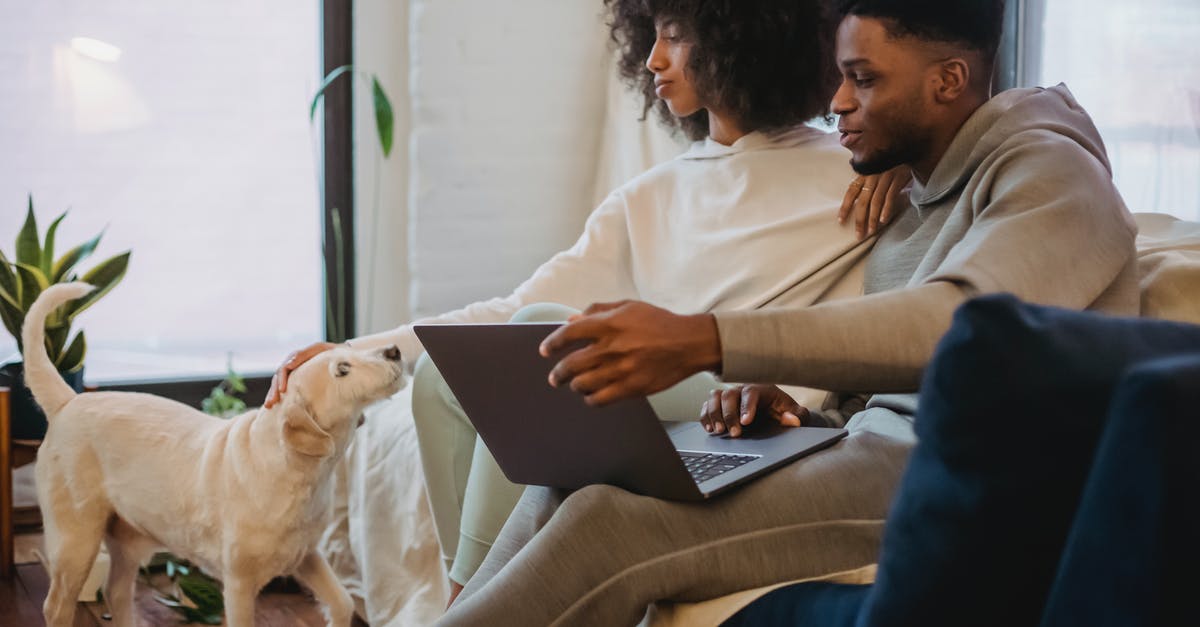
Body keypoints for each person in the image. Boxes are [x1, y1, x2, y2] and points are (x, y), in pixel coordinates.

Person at [437, 0, 1141, 625]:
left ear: (948, 82)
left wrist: (705, 340)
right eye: (840, 74)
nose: (835, 101)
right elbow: (894, 393)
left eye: (863, 79)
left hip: (962, 477)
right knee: (581, 480)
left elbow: (959, 329)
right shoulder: (930, 185)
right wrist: (810, 418)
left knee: (609, 527)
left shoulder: (1056, 176)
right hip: (867, 452)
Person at [265, 0, 909, 606]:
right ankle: (473, 596)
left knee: (546, 342)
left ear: (738, 41)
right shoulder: (649, 197)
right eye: (650, 33)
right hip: (674, 401)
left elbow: (955, 184)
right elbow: (510, 310)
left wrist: (906, 164)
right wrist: (356, 351)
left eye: (676, 34)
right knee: (443, 379)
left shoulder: (861, 176)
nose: (654, 59)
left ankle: (470, 610)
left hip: (770, 414)